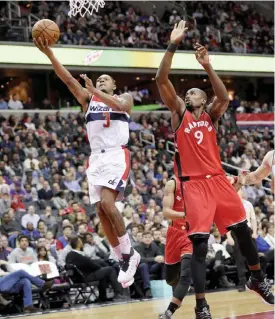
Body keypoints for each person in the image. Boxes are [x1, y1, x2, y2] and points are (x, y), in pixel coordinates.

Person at [156, 20, 274, 318]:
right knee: (199, 246)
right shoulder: (178, 115)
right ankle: (201, 305)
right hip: (193, 185)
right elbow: (160, 79)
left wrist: (208, 66)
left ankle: (257, 279)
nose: (188, 96)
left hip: (219, 181)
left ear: (202, 99)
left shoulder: (212, 115)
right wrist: (172, 44)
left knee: (244, 232)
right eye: (187, 94)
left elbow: (223, 97)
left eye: (193, 93)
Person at [34, 37, 140, 287]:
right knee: (101, 211)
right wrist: (49, 54)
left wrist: (96, 90)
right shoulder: (88, 100)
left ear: (114, 85)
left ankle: (129, 253)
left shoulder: (124, 96)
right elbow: (68, 79)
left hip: (116, 153)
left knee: (108, 202)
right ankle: (120, 257)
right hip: (96, 157)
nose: (101, 81)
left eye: (106, 80)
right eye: (99, 79)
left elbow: (121, 105)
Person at [159, 176, 192, 318]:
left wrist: (239, 182)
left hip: (190, 234)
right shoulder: (172, 183)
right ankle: (181, 288)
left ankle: (169, 312)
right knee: (170, 279)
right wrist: (187, 214)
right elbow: (166, 213)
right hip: (174, 233)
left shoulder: (201, 183)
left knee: (185, 277)